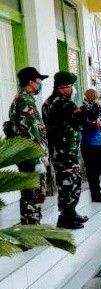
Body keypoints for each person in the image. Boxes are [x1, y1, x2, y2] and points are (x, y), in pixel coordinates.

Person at [42, 71, 87, 230]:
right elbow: (80, 121)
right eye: (71, 86)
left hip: (57, 151)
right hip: (67, 151)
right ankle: (66, 218)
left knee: (64, 184)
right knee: (71, 184)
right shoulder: (64, 103)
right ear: (63, 87)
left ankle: (70, 213)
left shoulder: (47, 103)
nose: (72, 90)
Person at [6, 67, 49, 225]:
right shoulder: (24, 101)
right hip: (30, 157)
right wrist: (37, 160)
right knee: (33, 194)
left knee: (32, 193)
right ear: (30, 82)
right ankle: (31, 226)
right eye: (39, 81)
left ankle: (31, 224)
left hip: (29, 155)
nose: (40, 85)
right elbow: (30, 133)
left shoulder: (24, 99)